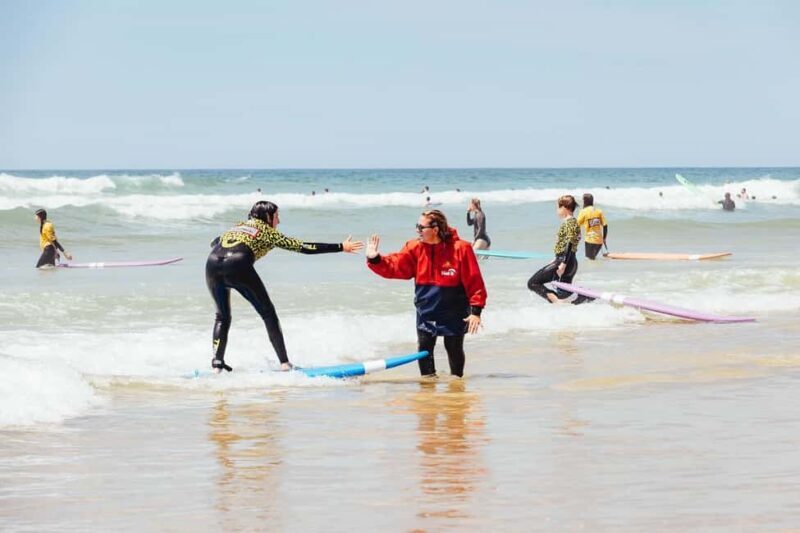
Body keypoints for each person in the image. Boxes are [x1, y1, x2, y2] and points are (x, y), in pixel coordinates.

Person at [206, 200, 363, 373]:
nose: (278, 221)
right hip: (238, 264)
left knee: (222, 317)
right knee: (268, 313)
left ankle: (217, 364)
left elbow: (215, 242)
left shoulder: (237, 226)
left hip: (212, 264)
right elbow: (304, 247)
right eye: (277, 216)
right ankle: (285, 364)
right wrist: (341, 247)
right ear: (267, 216)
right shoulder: (267, 232)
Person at [365, 209, 487, 377]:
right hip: (426, 310)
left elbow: (475, 281)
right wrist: (375, 259)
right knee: (424, 350)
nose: (417, 230)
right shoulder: (414, 247)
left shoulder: (461, 248)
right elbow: (396, 266)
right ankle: (428, 388)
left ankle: (457, 385)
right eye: (417, 226)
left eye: (421, 227)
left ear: (435, 229)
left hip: (455, 310)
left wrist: (476, 312)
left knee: (453, 348)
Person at [527, 195, 585, 304]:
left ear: (565, 207)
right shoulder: (572, 222)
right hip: (570, 262)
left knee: (533, 283)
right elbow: (566, 244)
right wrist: (556, 258)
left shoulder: (570, 223)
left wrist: (563, 263)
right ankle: (580, 300)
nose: (557, 211)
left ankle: (558, 303)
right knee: (563, 294)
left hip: (565, 261)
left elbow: (569, 243)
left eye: (558, 207)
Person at [576, 193, 607, 260]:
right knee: (593, 259)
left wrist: (579, 235)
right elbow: (605, 225)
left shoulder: (583, 212)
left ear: (584, 201)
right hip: (599, 241)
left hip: (590, 240)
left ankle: (593, 270)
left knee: (589, 260)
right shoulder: (599, 211)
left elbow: (577, 225)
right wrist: (604, 238)